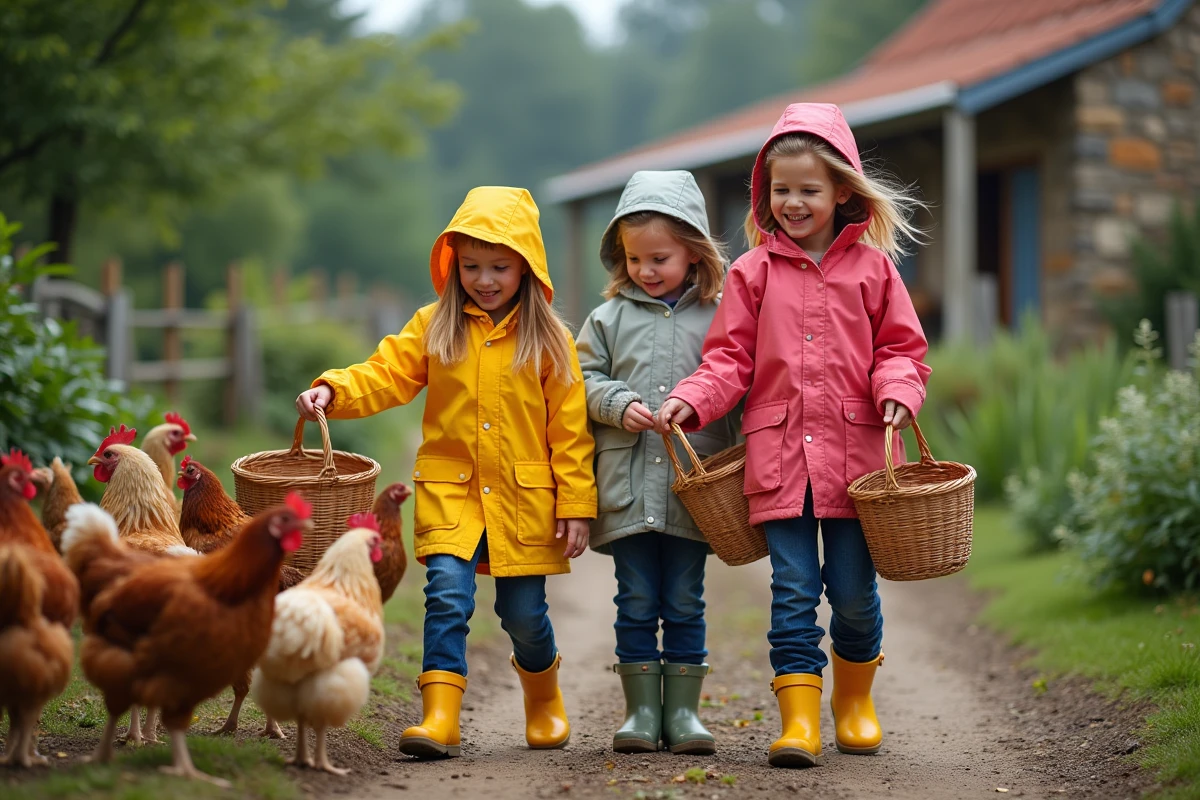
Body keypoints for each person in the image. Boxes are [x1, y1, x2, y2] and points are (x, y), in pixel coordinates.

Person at [658, 103, 932, 768]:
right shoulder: (753, 273)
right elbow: (727, 361)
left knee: (855, 595)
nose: (794, 202)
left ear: (842, 190)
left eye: (809, 190)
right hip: (780, 459)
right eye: (782, 190)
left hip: (858, 462)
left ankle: (855, 702)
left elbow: (901, 351)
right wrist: (688, 401)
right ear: (765, 193)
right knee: (791, 591)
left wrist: (897, 392)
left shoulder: (874, 272)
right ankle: (799, 720)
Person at [297, 186, 596, 759]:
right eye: (472, 267)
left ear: (527, 266)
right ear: (452, 265)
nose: (485, 280)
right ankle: (440, 717)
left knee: (523, 613)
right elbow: (385, 372)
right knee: (447, 596)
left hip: (521, 498)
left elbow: (569, 430)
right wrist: (334, 389)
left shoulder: (550, 338)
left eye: (500, 267)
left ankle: (543, 698)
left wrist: (576, 503)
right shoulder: (436, 324)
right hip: (451, 493)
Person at [575, 170, 738, 756]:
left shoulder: (720, 315)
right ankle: (642, 713)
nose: (646, 269)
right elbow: (582, 381)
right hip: (627, 486)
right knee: (636, 598)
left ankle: (685, 715)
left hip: (693, 488)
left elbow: (738, 382)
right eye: (635, 258)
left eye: (660, 257)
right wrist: (618, 404)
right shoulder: (608, 319)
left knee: (687, 598)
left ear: (694, 251)